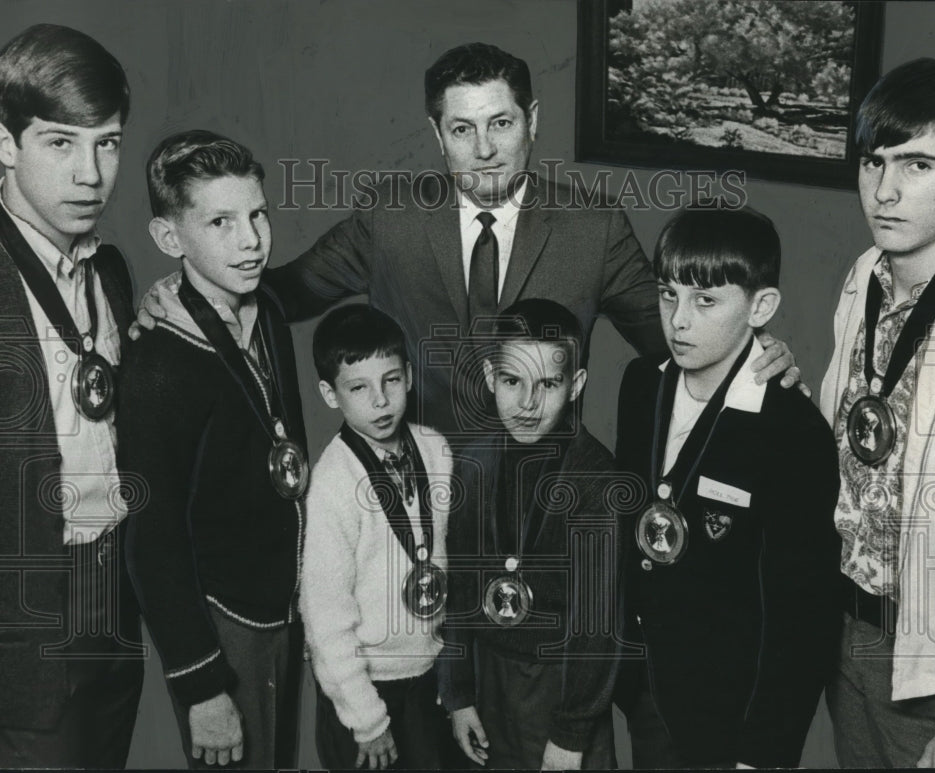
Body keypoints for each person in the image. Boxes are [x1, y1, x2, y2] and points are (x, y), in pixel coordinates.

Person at [136, 42, 799, 437]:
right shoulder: (389, 215)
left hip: (541, 504)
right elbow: (279, 292)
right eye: (461, 130)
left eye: (501, 123)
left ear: (531, 121)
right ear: (436, 134)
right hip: (409, 491)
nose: (484, 151)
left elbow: (678, 337)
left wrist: (758, 355)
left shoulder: (594, 228)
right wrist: (184, 291)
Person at [616, 208, 842, 768]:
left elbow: (803, 615)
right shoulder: (641, 383)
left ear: (761, 308)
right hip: (649, 691)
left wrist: (763, 752)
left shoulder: (794, 429)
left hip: (733, 714)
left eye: (706, 301)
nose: (679, 321)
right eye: (668, 295)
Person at [819, 58, 935, 768]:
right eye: (873, 162)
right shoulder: (864, 274)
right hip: (849, 631)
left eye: (918, 164)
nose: (884, 191)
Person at [119, 131, 307, 768]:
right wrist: (201, 685)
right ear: (170, 240)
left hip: (281, 604)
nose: (251, 240)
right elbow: (151, 533)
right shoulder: (158, 360)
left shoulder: (270, 310)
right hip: (222, 622)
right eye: (221, 222)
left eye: (257, 215)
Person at [0, 23, 143, 768]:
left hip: (112, 606)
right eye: (60, 142)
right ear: (3, 142)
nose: (91, 173)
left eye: (108, 143)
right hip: (23, 628)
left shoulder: (109, 273)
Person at [439, 298, 622, 769]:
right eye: (512, 381)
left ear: (576, 384)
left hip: (562, 686)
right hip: (487, 678)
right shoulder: (472, 465)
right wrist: (459, 694)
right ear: (488, 376)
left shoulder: (596, 479)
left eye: (548, 383)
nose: (527, 403)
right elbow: (458, 589)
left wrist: (571, 733)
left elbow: (597, 629)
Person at [300, 304, 453, 770]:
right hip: (363, 690)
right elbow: (325, 618)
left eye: (390, 380)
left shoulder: (436, 449)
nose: (380, 401)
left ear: (408, 375)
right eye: (359, 388)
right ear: (330, 394)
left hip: (428, 675)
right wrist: (366, 719)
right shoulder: (333, 481)